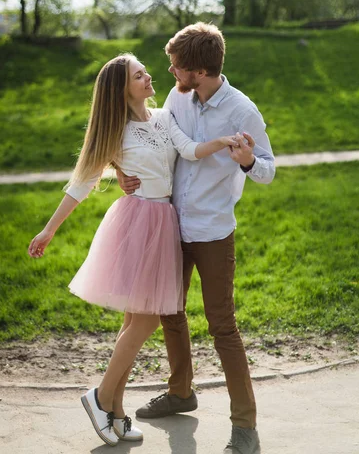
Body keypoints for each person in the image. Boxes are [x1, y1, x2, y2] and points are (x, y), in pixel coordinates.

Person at [28, 53, 238, 449]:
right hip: (137, 223)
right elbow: (82, 182)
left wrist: (222, 143)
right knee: (146, 321)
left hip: (164, 221)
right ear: (122, 90)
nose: (148, 77)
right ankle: (101, 397)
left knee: (132, 323)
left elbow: (188, 150)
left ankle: (118, 414)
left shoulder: (162, 118)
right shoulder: (116, 130)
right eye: (139, 75)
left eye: (144, 71)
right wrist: (48, 230)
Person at [117, 23, 275, 454]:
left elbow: (268, 170)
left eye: (176, 67)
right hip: (169, 223)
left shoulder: (242, 110)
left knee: (223, 326)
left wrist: (246, 162)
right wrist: (123, 171)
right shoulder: (176, 98)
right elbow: (157, 142)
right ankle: (181, 392)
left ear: (199, 71)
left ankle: (245, 428)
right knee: (171, 312)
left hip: (212, 231)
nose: (169, 72)